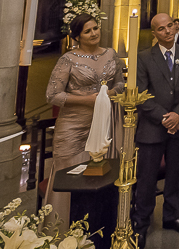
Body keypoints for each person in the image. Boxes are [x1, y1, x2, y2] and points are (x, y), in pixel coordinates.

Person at [44, 13, 125, 222]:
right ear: (77, 36)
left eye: (96, 28)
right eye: (87, 31)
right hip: (74, 124)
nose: (94, 33)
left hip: (105, 120)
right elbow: (52, 95)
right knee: (70, 173)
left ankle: (100, 226)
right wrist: (87, 100)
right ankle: (62, 228)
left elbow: (120, 83)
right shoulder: (68, 59)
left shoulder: (110, 54)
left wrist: (109, 95)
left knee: (103, 171)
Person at [131, 13, 179, 248]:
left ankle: (172, 216)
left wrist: (178, 115)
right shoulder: (144, 58)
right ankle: (141, 224)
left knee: (174, 175)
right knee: (147, 178)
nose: (168, 31)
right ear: (155, 34)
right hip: (152, 127)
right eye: (162, 29)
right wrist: (164, 117)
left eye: (170, 25)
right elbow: (141, 92)